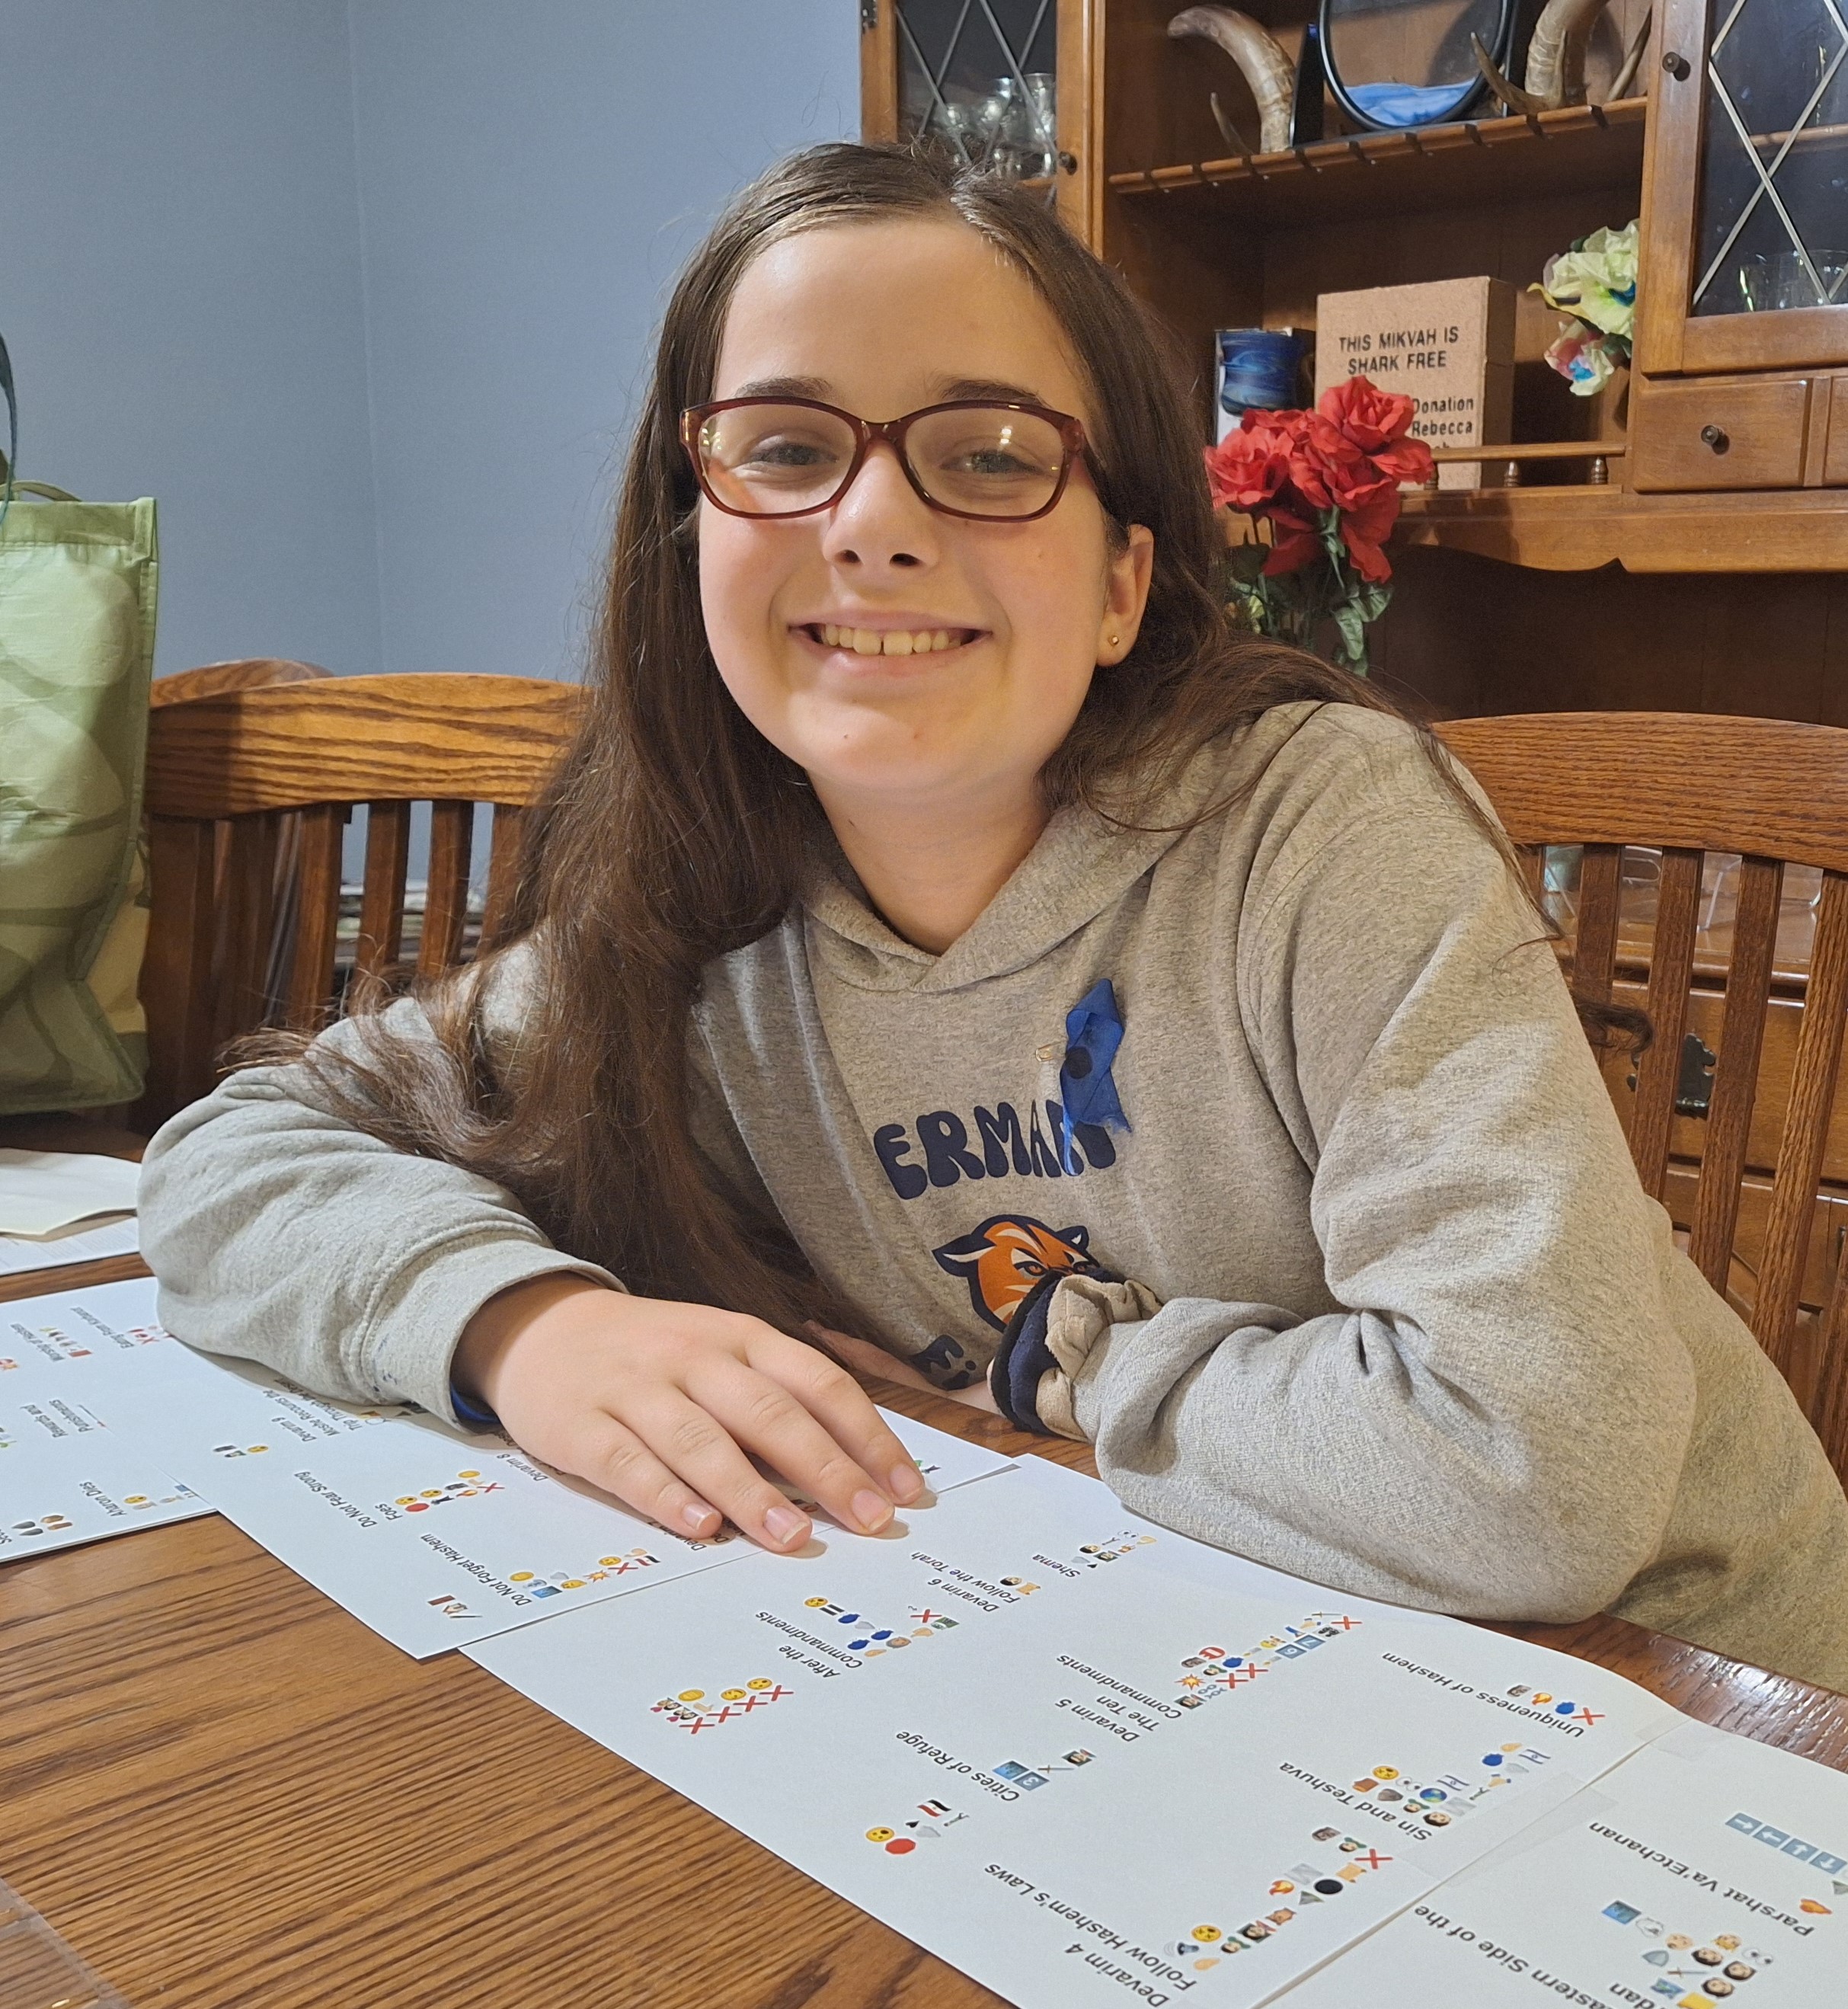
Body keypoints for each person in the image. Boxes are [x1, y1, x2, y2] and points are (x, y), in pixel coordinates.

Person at [139, 143, 1848, 1689]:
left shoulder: (1318, 827)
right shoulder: (691, 918)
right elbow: (231, 1159)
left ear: (1120, 578)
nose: (871, 524)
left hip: (1703, 1693)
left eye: (988, 454)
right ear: (689, 544)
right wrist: (522, 1323)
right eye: (787, 449)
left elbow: (1534, 1470)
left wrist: (1063, 1358)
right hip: (1235, 1636)